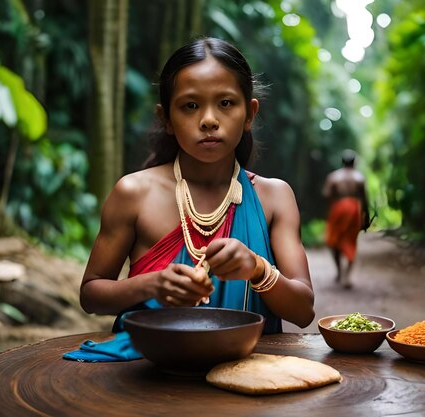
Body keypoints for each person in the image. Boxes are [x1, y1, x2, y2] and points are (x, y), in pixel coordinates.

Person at [78, 37, 315, 337]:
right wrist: (152, 284)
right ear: (166, 118)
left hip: (250, 375)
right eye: (190, 106)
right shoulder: (134, 194)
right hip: (149, 373)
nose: (208, 120)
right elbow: (91, 294)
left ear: (250, 114)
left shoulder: (274, 197)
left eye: (226, 103)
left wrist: (258, 268)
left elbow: (303, 310)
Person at [322, 149, 370, 289]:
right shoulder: (359, 177)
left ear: (342, 162)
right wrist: (365, 217)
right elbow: (365, 199)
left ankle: (339, 271)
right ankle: (347, 276)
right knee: (351, 240)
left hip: (338, 208)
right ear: (354, 162)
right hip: (354, 209)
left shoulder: (333, 176)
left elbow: (326, 194)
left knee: (334, 240)